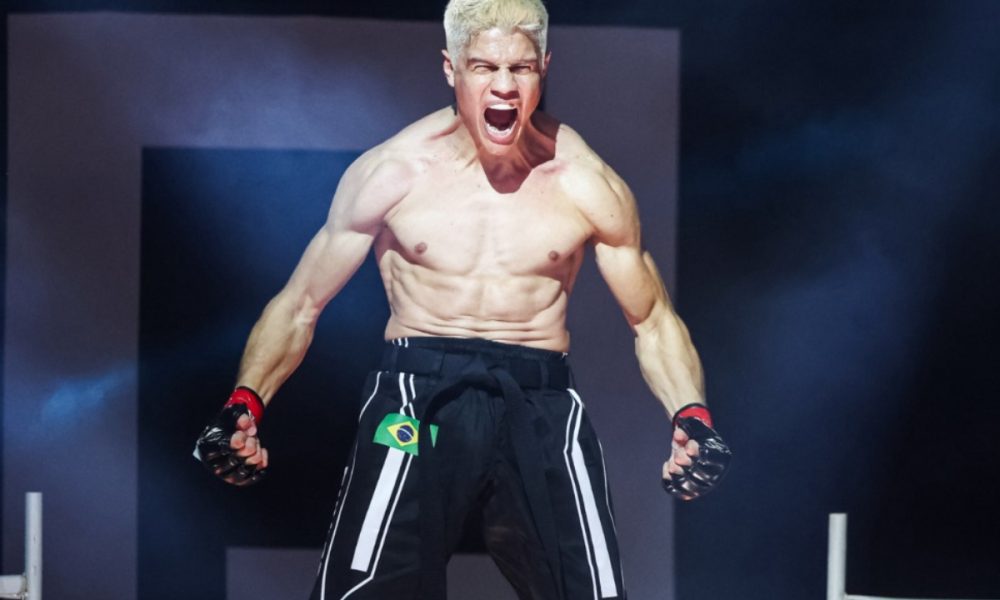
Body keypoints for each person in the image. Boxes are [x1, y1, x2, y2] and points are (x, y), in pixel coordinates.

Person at [195, 0, 731, 597]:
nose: (503, 86)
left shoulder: (585, 182)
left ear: (543, 68)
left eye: (520, 68)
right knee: (361, 589)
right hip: (416, 390)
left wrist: (691, 415)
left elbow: (652, 319)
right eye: (484, 67)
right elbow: (299, 305)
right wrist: (246, 401)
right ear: (451, 68)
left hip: (538, 396)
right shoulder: (394, 172)